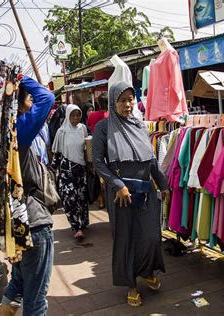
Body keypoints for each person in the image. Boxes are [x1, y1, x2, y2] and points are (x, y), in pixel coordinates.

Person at [92, 81, 171, 307]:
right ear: (113, 102)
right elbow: (98, 162)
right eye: (122, 100)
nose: (128, 105)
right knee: (127, 240)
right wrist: (118, 184)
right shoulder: (104, 128)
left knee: (151, 236)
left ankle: (147, 271)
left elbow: (151, 159)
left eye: (130, 99)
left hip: (145, 190)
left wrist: (163, 183)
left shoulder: (139, 125)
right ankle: (132, 285)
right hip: (121, 195)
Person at [0, 75, 55, 315]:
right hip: (32, 220)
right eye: (27, 96)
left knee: (19, 282)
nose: (32, 100)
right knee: (36, 297)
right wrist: (23, 79)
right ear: (16, 102)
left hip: (15, 220)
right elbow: (48, 98)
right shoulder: (16, 132)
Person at [51, 104, 89, 240]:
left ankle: (82, 223)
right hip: (67, 170)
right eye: (73, 115)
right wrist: (52, 171)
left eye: (78, 115)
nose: (75, 118)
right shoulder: (62, 132)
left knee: (81, 198)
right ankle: (77, 226)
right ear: (67, 116)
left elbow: (86, 149)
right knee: (70, 198)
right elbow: (56, 154)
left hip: (81, 170)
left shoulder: (82, 129)